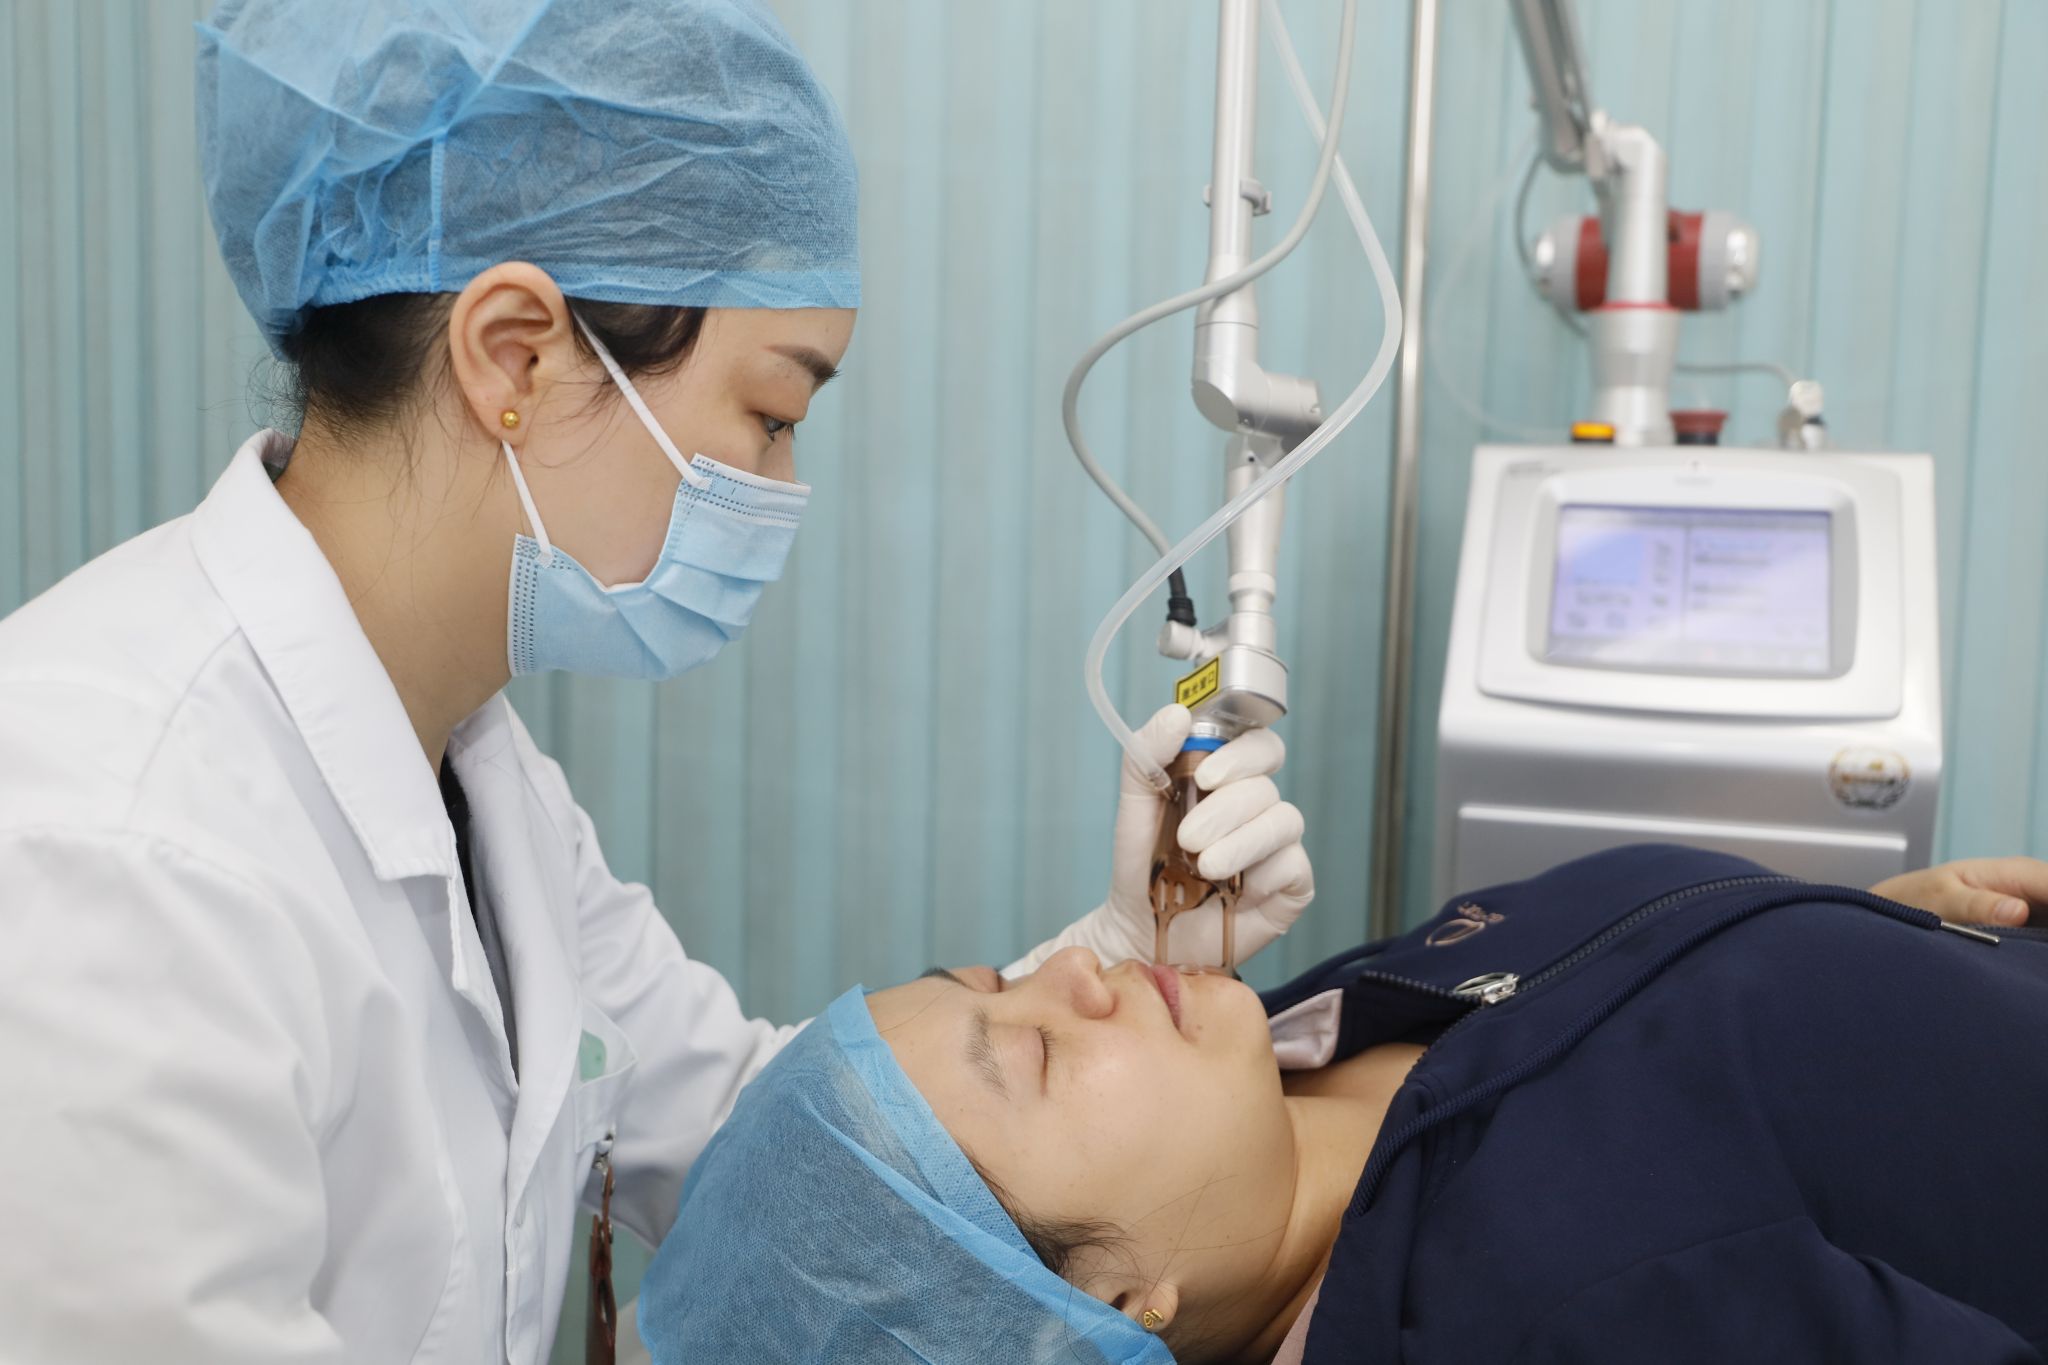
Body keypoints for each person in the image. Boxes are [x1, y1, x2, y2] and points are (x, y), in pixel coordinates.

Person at [0, 3, 1314, 1361]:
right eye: (773, 414)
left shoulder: (471, 773)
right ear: (513, 354)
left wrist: (1116, 968)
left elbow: (761, 1139)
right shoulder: (116, 862)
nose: (785, 488)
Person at [638, 846, 2048, 1364]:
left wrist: (1856, 941)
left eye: (991, 979)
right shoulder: (1543, 1313)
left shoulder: (1293, 1055)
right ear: (1109, 1307)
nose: (1072, 969)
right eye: (1039, 1058)